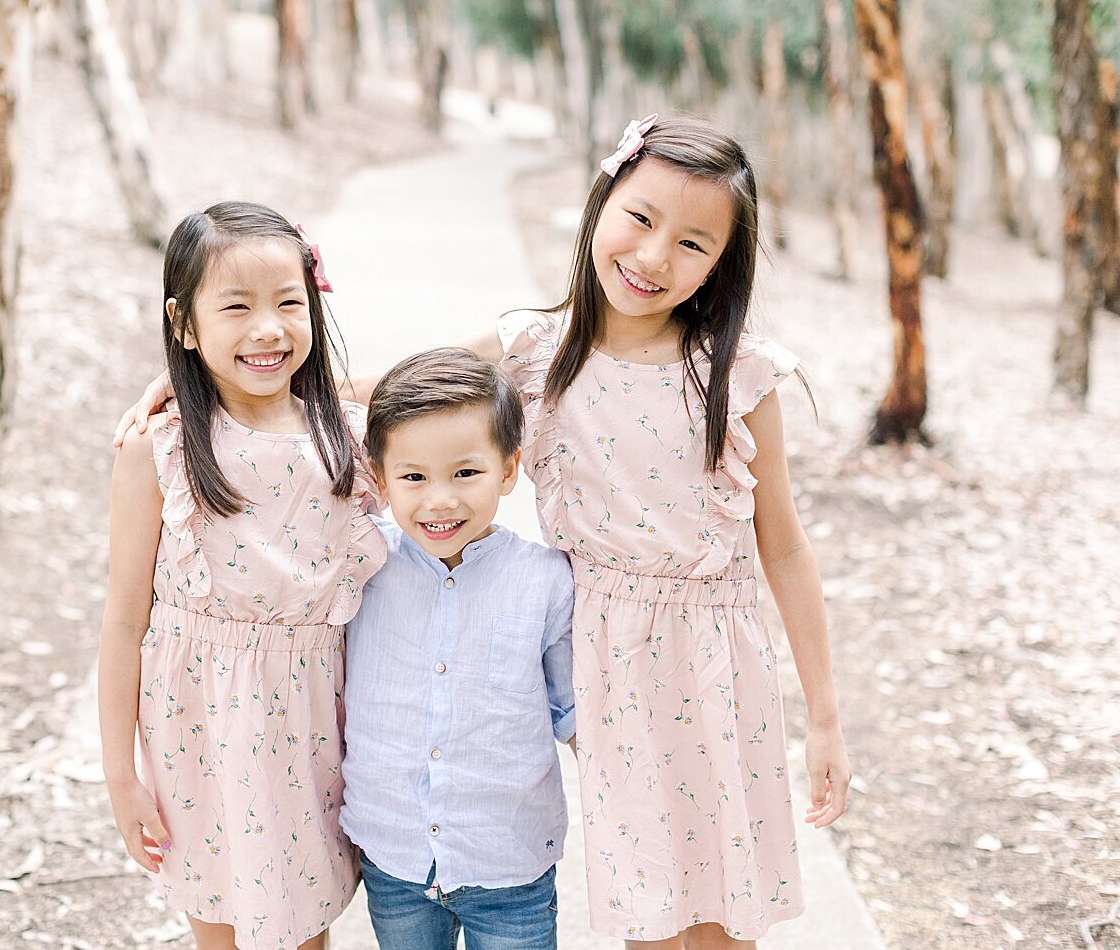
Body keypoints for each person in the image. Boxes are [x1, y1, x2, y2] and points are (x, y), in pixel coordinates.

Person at [115, 114, 852, 949]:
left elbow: (782, 544)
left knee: (724, 912)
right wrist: (195, 377)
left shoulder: (736, 374)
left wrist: (823, 716)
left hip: (718, 668)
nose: (653, 258)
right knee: (650, 915)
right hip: (606, 658)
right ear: (600, 203)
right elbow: (387, 391)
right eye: (640, 219)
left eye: (693, 243)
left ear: (724, 262)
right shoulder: (537, 347)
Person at [97, 201, 385, 950]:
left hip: (313, 724)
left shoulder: (347, 438)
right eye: (236, 307)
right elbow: (125, 621)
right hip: (199, 726)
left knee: (303, 929)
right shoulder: (157, 451)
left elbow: (452, 382)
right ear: (183, 325)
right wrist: (120, 776)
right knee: (220, 926)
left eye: (289, 302)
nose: (268, 328)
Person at [342, 348, 576, 949]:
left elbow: (573, 709)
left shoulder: (545, 579)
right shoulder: (360, 564)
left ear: (508, 468)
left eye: (465, 473)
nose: (439, 500)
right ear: (379, 476)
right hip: (394, 853)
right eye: (413, 477)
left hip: (510, 862)